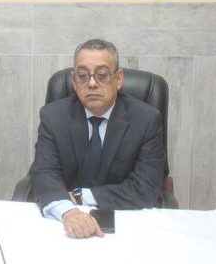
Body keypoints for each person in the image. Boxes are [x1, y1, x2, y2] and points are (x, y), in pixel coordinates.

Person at [31, 39, 166, 239]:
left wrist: (81, 196)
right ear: (74, 80)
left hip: (127, 223)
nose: (92, 83)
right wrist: (69, 212)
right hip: (66, 221)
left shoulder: (146, 120)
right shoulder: (53, 117)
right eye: (83, 76)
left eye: (102, 75)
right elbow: (45, 173)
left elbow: (145, 188)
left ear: (118, 79)